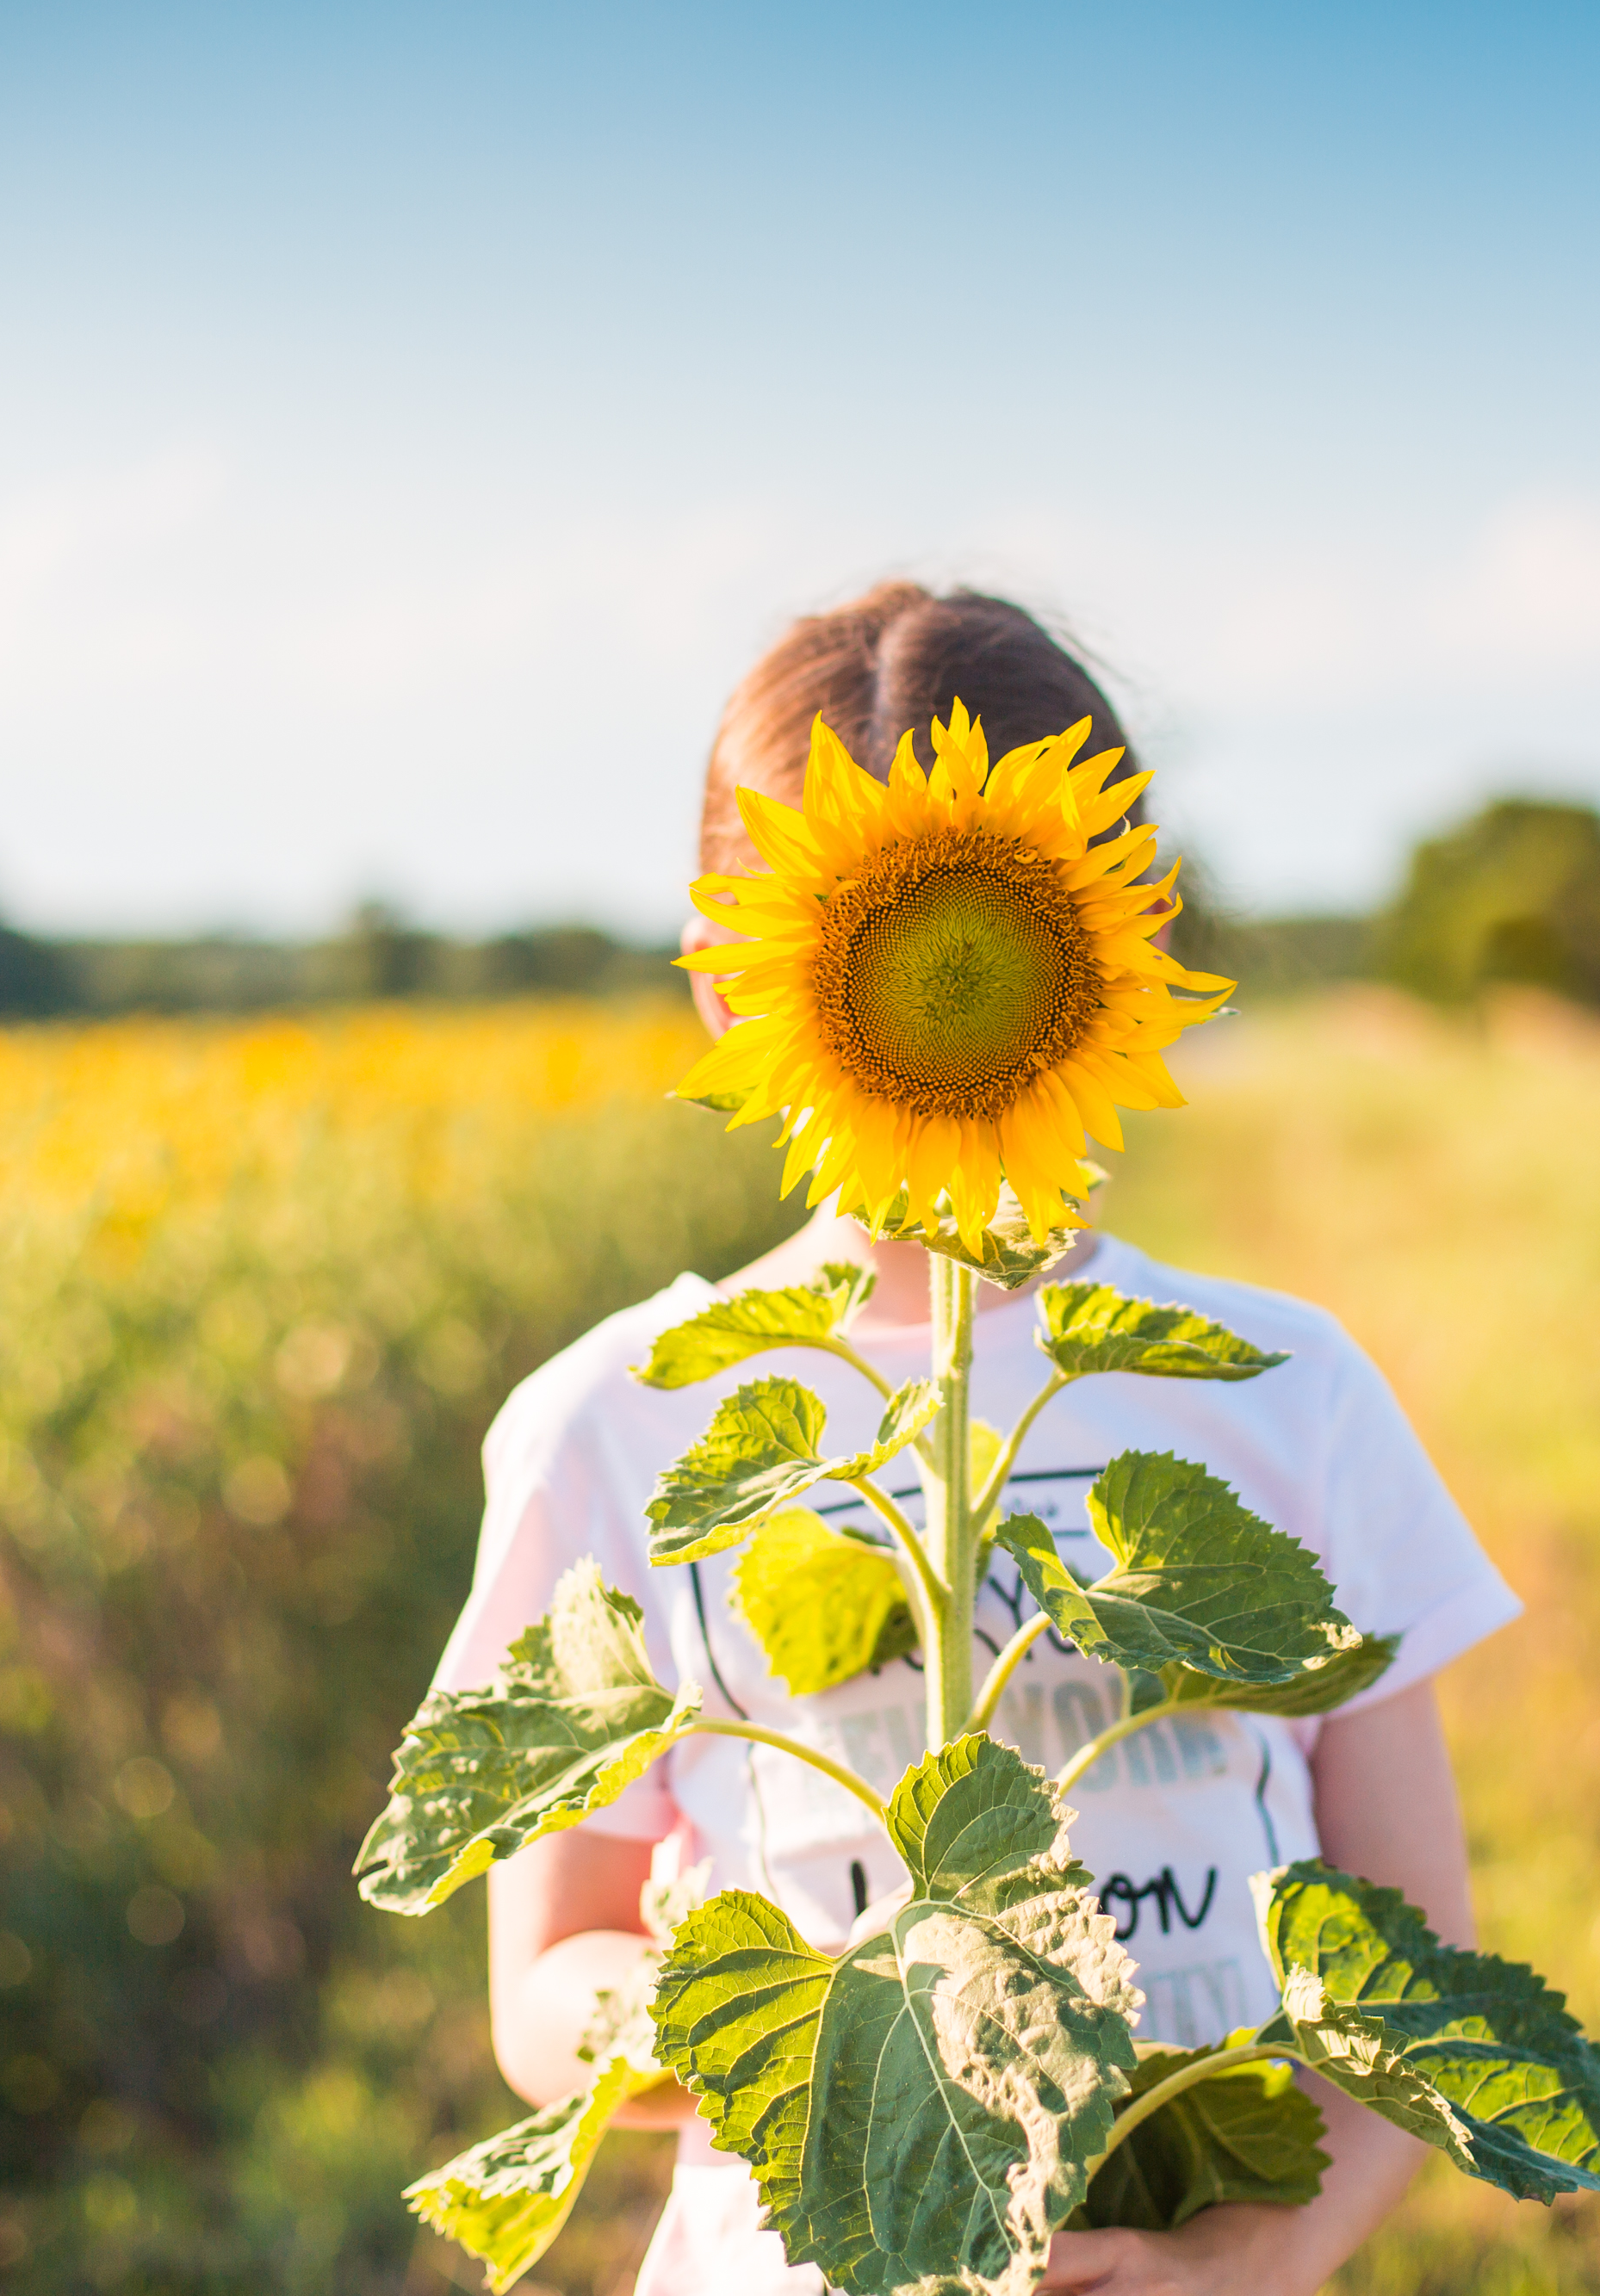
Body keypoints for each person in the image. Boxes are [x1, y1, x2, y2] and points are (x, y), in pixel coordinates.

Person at [438, 579, 1523, 2295]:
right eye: (873, 936)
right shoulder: (619, 1419)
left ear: (1122, 942)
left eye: (995, 930)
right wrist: (775, 2015)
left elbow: (1415, 1962)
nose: (949, 982)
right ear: (734, 983)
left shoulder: (1282, 1387)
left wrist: (1255, 2254)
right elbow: (539, 1985)